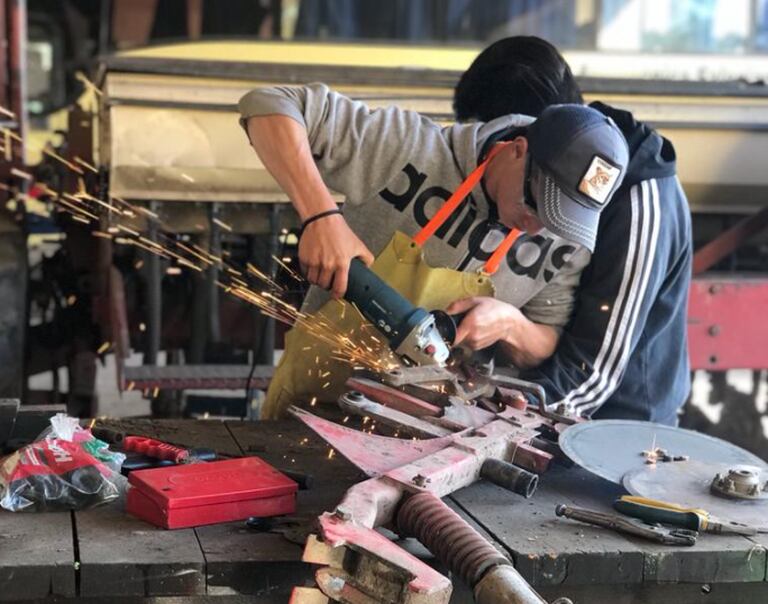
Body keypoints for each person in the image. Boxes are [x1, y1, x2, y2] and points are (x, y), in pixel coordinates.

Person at [238, 81, 629, 419]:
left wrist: (512, 325)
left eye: (557, 220)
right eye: (534, 205)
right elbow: (269, 104)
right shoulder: (409, 148)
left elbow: (547, 340)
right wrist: (320, 215)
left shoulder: (565, 240)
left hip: (438, 434)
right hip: (311, 404)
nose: (536, 227)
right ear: (517, 150)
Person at [453, 36, 692, 425]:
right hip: (541, 404)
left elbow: (593, 373)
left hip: (615, 430)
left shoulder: (640, 197)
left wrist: (498, 422)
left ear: (529, 139)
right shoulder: (542, 164)